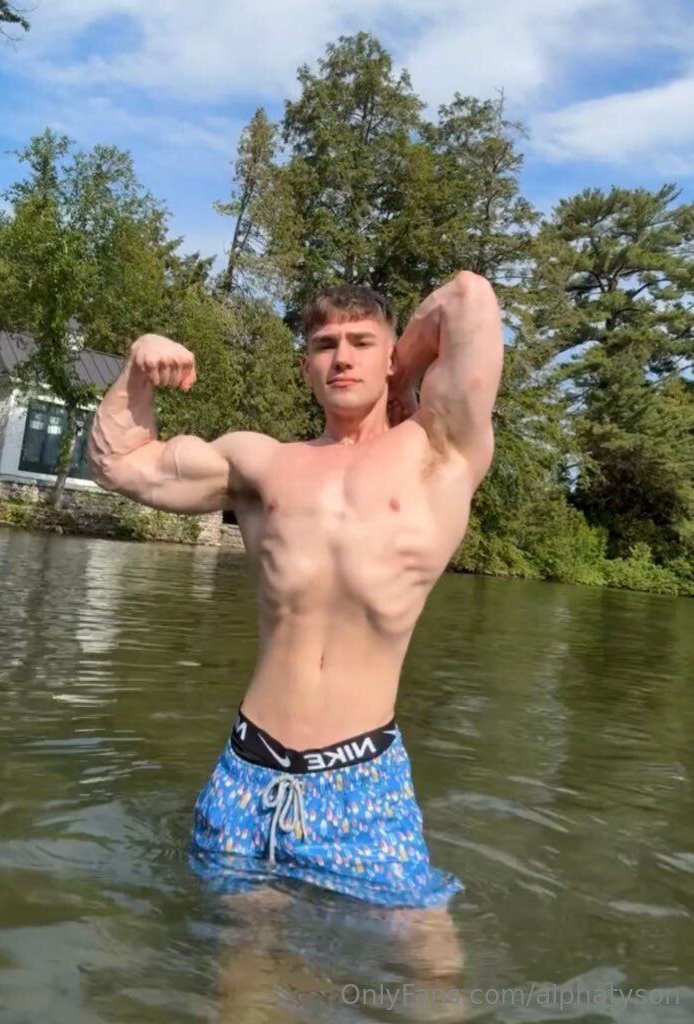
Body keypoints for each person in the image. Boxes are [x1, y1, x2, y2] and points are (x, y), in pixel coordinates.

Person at [87, 271, 503, 976]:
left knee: (432, 972)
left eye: (361, 342)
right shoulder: (263, 465)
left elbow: (468, 297)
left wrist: (401, 371)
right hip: (246, 772)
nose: (341, 357)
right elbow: (117, 464)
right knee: (244, 976)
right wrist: (136, 367)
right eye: (324, 345)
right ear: (306, 366)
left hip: (364, 781)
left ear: (391, 354)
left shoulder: (439, 452)